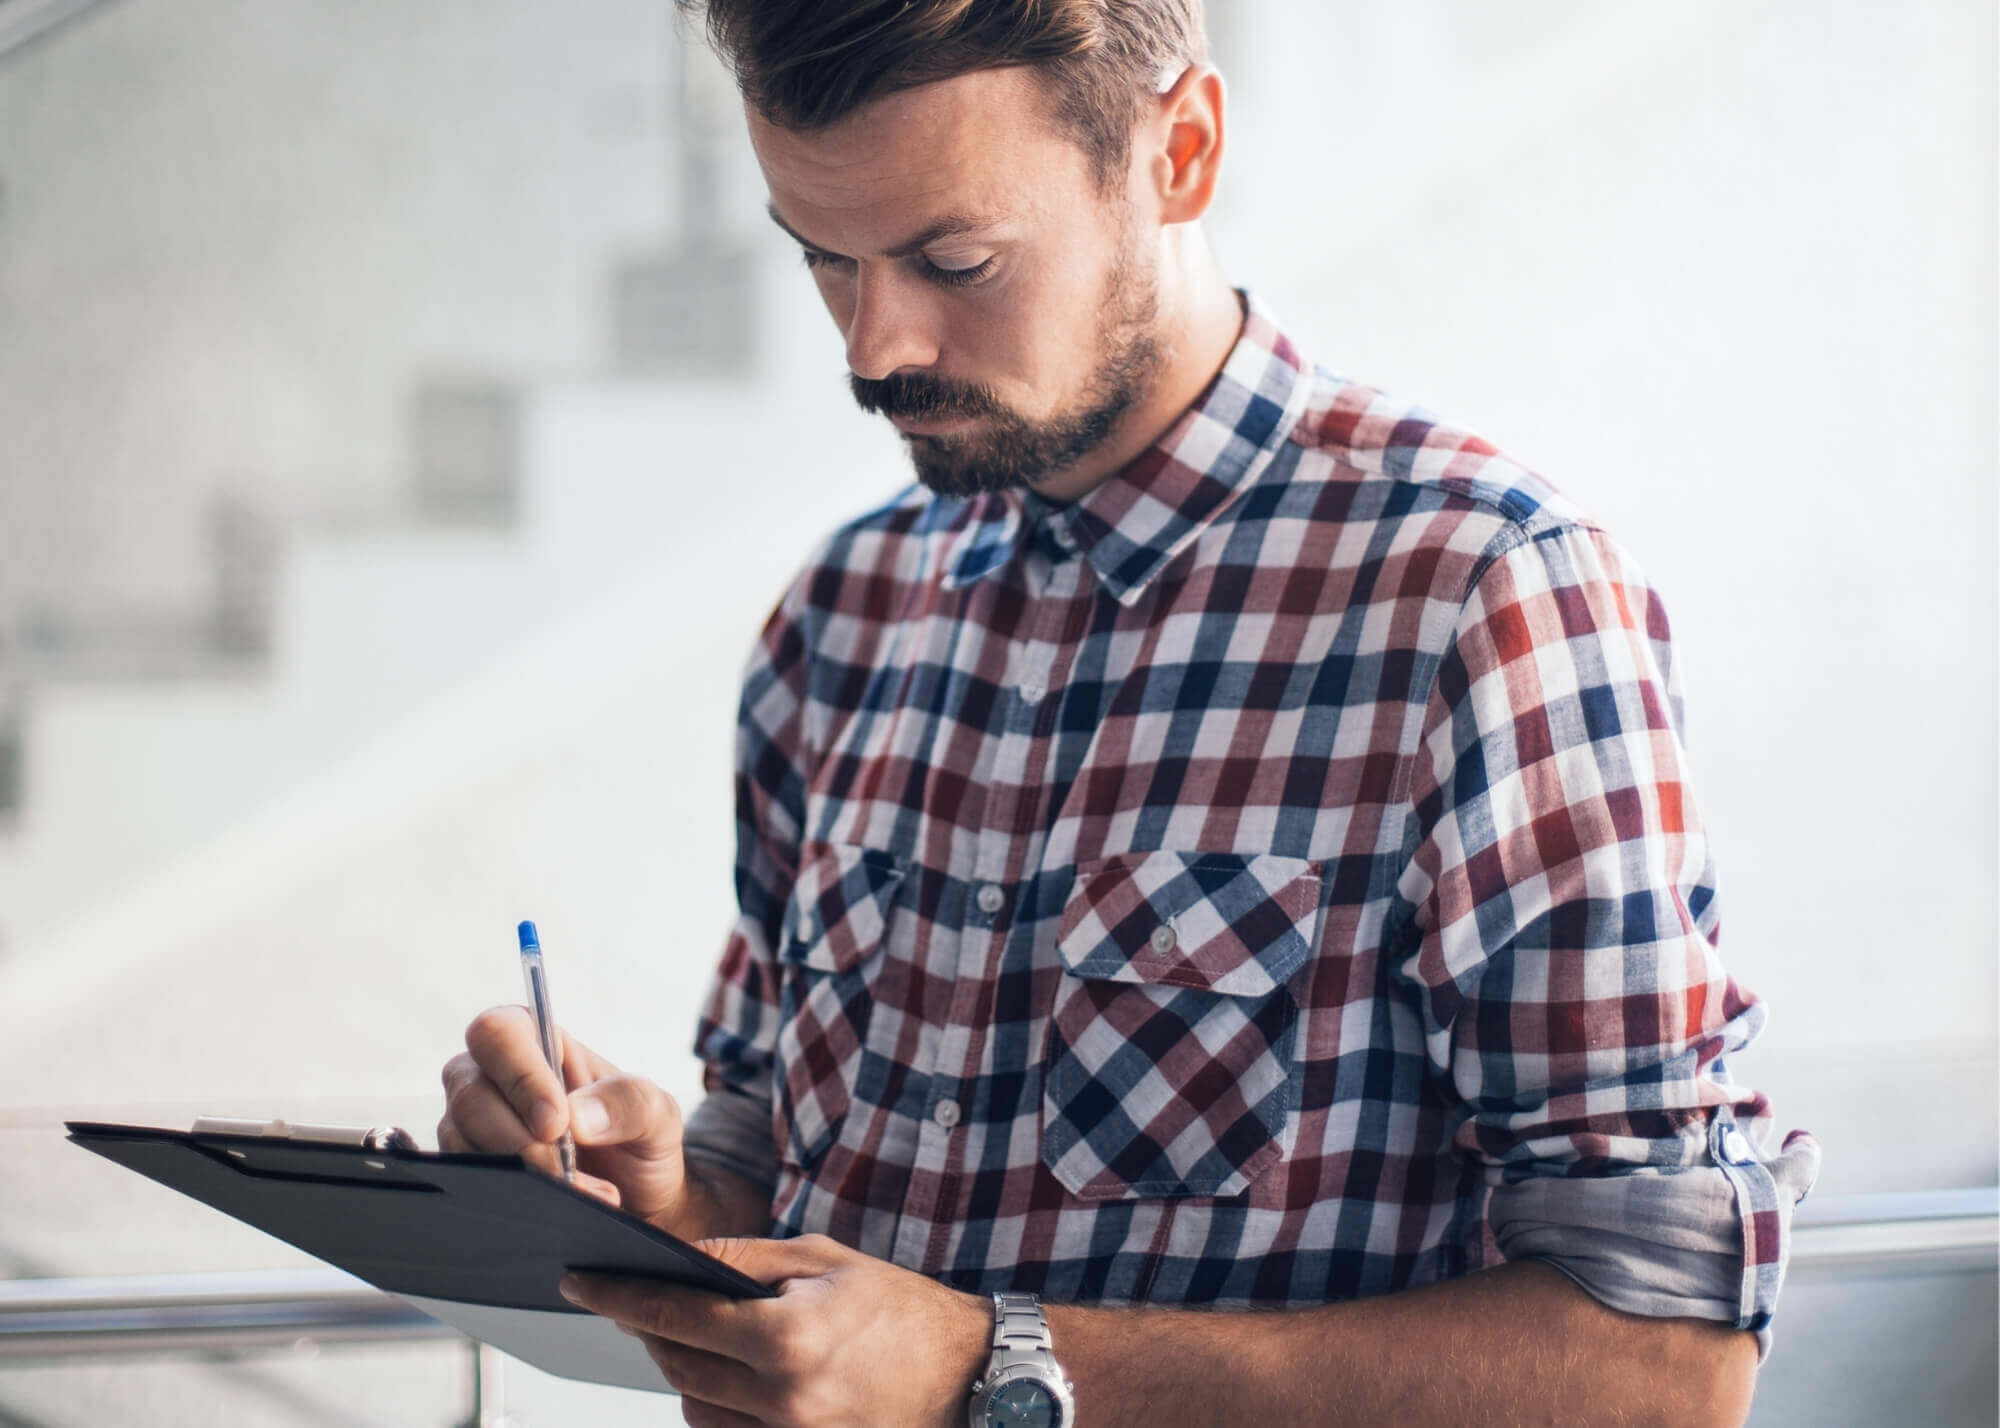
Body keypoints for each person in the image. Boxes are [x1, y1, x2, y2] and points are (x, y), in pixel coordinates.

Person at [437, 3, 1819, 1423]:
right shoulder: (840, 616)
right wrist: (652, 1194)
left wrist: (994, 1366)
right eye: (824, 263)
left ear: (1182, 151)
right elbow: (769, 1179)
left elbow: (1666, 1364)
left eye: (954, 260)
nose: (873, 349)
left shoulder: (1483, 595)